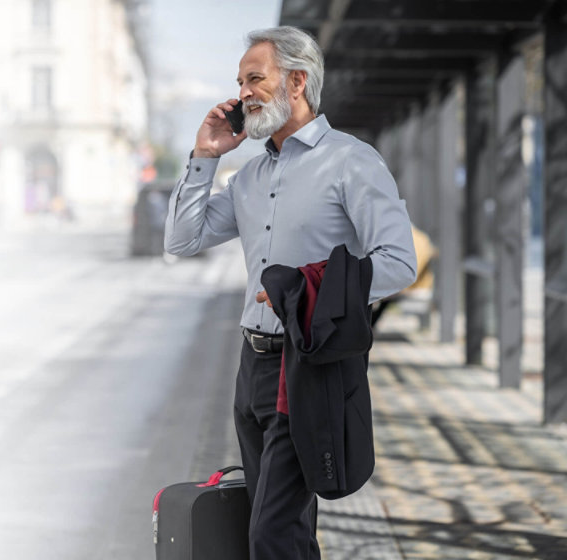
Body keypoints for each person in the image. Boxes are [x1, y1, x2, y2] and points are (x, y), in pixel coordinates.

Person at [163, 26, 417, 558]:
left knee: (272, 535)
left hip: (309, 366)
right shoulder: (250, 177)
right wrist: (205, 155)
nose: (242, 94)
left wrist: (302, 288)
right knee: (278, 525)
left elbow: (398, 264)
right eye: (239, 81)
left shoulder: (352, 162)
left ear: (296, 82)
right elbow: (183, 239)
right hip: (250, 366)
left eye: (255, 78)